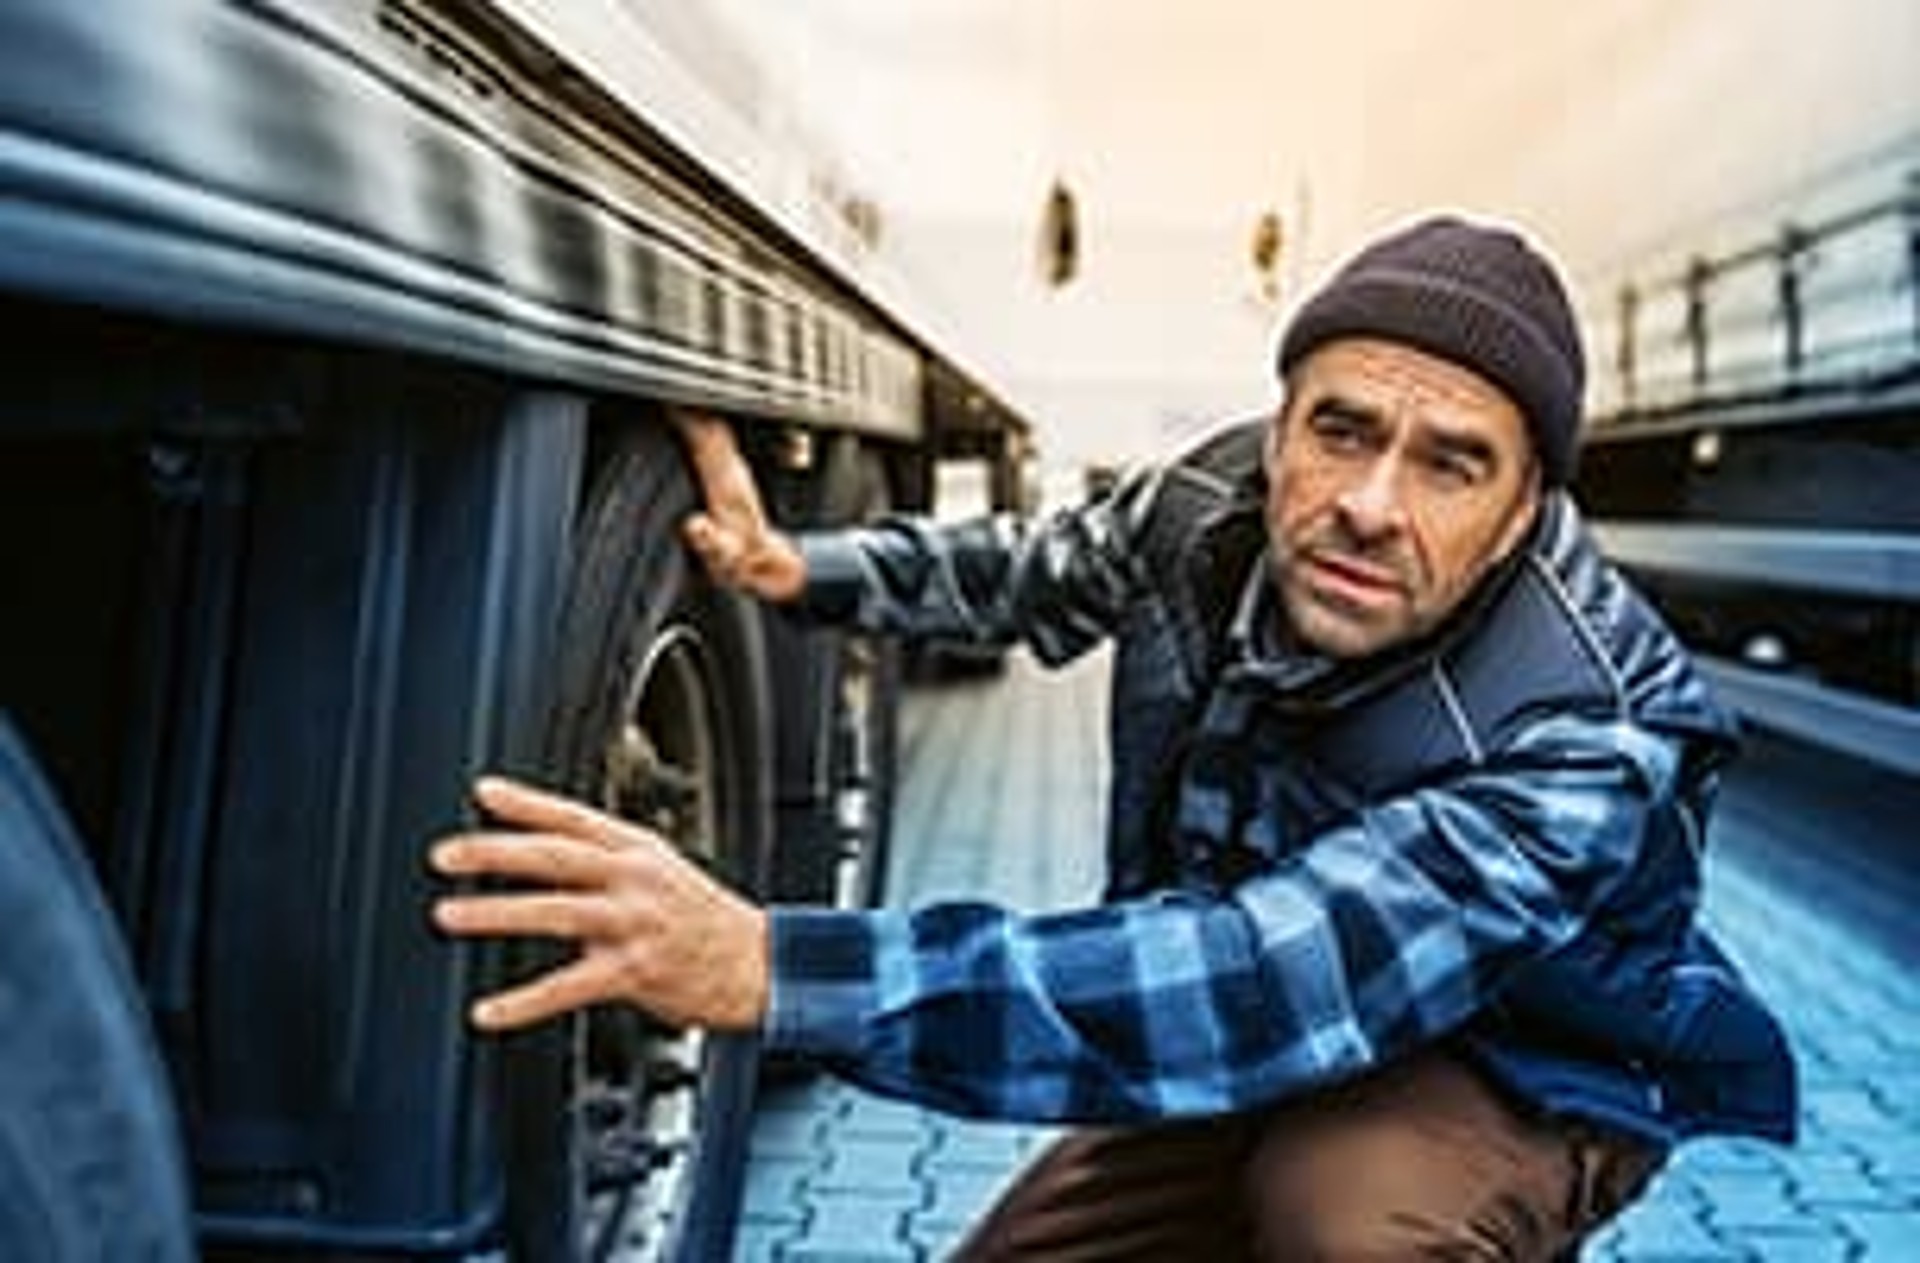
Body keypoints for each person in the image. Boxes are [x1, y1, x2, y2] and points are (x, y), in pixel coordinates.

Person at [429, 215, 1797, 1260]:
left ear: (1525, 510)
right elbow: (1035, 570)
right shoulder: (1206, 509)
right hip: (1266, 994)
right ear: (1280, 433)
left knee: (1345, 1214)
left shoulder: (1583, 730)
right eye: (1344, 430)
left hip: (1522, 1057)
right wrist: (805, 569)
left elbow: (1261, 982)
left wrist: (772, 964)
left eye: (1451, 461)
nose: (1372, 502)